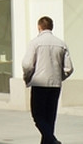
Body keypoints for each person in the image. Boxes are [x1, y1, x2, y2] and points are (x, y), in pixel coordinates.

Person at [21, 16, 74, 144]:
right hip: (55, 84)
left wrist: (27, 77)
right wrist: (60, 77)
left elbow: (27, 64)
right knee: (50, 117)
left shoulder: (35, 43)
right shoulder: (61, 44)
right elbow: (69, 68)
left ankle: (52, 140)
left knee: (38, 116)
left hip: (39, 83)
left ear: (39, 27)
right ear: (52, 27)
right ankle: (48, 141)